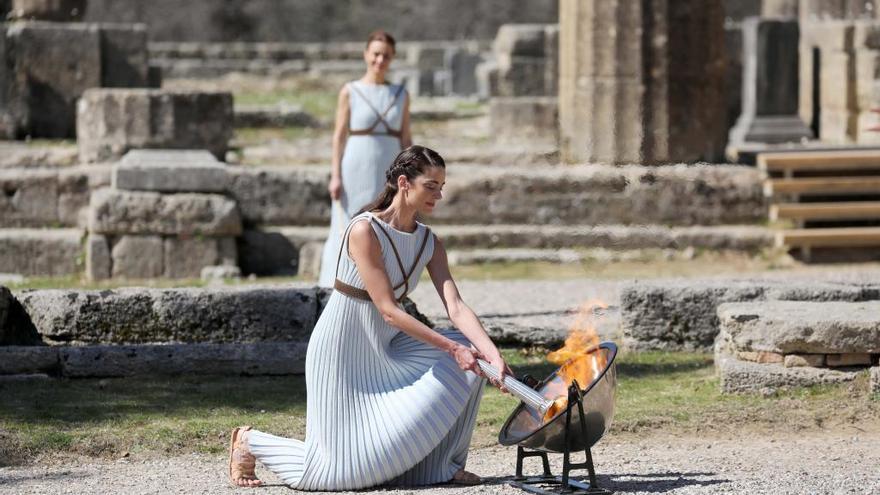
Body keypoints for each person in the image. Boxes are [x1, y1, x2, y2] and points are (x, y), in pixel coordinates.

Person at [228, 145, 513, 490]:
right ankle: (251, 441)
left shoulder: (430, 242)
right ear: (404, 183)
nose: (439, 195)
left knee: (475, 359)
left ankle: (442, 466)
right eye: (431, 186)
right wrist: (455, 350)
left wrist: (492, 354)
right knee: (333, 476)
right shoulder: (364, 231)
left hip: (387, 348)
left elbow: (455, 306)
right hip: (342, 350)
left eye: (442, 186)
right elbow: (388, 310)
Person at [318, 29, 412, 287]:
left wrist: (413, 174)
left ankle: (385, 285)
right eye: (376, 54)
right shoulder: (350, 91)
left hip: (389, 167)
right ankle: (336, 284)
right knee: (350, 222)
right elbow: (338, 136)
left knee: (387, 221)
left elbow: (406, 138)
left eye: (386, 56)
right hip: (355, 166)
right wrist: (335, 175)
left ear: (392, 58)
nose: (380, 61)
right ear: (366, 55)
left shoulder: (401, 94)